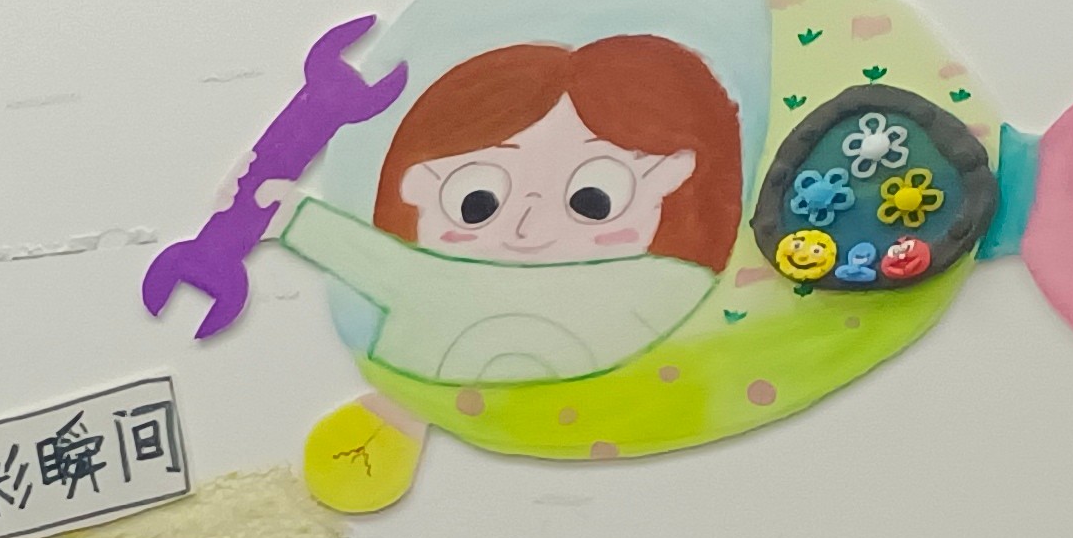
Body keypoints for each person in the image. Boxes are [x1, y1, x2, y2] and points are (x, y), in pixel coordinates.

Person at [264, 35, 738, 385]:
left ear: (669, 178)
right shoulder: (429, 281)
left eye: (592, 200)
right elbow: (378, 261)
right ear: (420, 186)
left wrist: (285, 214)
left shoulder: (666, 285)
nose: (528, 230)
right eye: (477, 203)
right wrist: (282, 213)